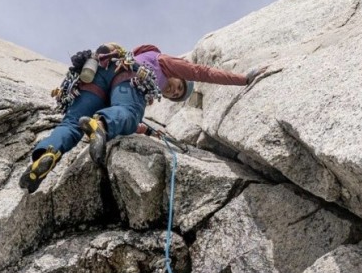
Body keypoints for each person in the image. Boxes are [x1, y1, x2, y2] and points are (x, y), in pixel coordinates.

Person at [18, 43, 268, 193]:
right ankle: (100, 124)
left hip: (94, 79)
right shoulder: (162, 61)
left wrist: (148, 131)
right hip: (126, 77)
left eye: (176, 96)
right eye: (179, 87)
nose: (173, 91)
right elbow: (201, 72)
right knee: (128, 112)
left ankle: (46, 154)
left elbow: (118, 110)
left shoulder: (131, 59)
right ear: (177, 76)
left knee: (71, 123)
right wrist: (244, 78)